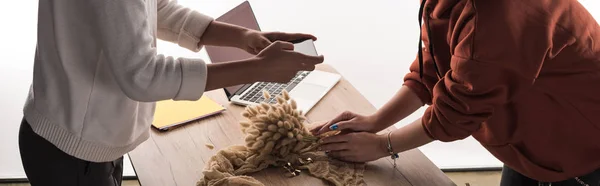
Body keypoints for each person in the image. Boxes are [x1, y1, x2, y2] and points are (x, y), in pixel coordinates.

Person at [19, 0, 323, 185]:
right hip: (74, 150)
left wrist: (243, 37)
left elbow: (156, 7)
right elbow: (142, 75)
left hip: (77, 136)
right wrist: (257, 69)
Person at [312, 0, 600, 185]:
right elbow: (434, 65)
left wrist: (381, 146)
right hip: (531, 143)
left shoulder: (500, 16)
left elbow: (456, 112)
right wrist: (374, 121)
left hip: (581, 150)